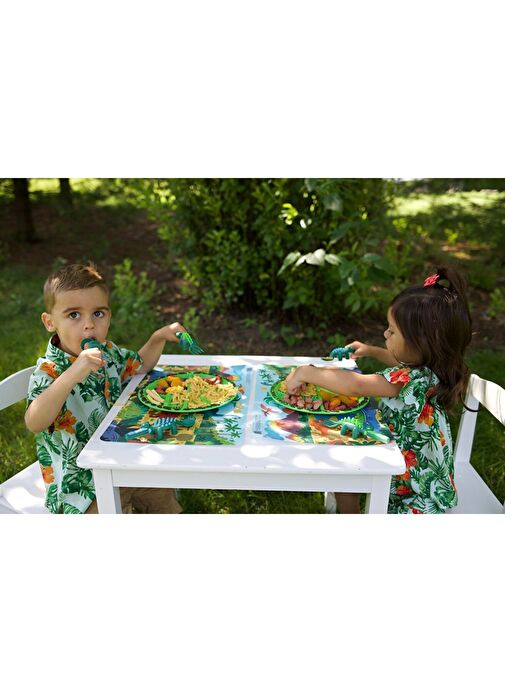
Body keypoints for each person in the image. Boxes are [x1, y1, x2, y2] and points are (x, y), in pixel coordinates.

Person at [285, 266, 473, 514]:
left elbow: (356, 385)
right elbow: (402, 362)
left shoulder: (408, 381)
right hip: (405, 461)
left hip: (414, 492)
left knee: (345, 466)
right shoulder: (430, 368)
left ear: (421, 343)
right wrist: (372, 351)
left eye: (392, 331)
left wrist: (306, 372)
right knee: (345, 459)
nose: (385, 333)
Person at [25, 262, 188, 514]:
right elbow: (34, 422)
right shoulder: (48, 373)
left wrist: (158, 338)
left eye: (98, 314)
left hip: (122, 462)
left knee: (161, 493)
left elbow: (138, 366)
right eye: (74, 315)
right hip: (81, 485)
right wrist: (71, 375)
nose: (89, 325)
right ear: (50, 322)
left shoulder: (107, 352)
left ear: (109, 316)